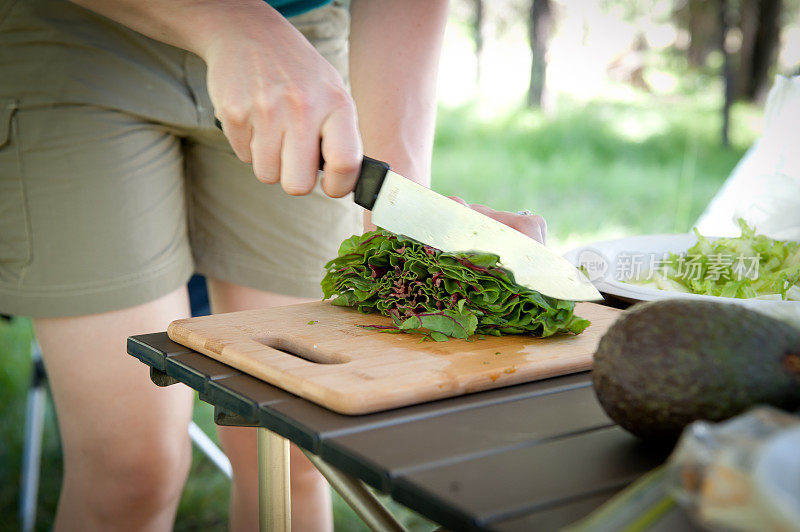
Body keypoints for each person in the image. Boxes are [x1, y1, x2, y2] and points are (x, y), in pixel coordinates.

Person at [0, 0, 547, 530]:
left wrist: (399, 208)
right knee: (130, 472)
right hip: (82, 39)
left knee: (294, 459)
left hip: (299, 62)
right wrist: (230, 19)